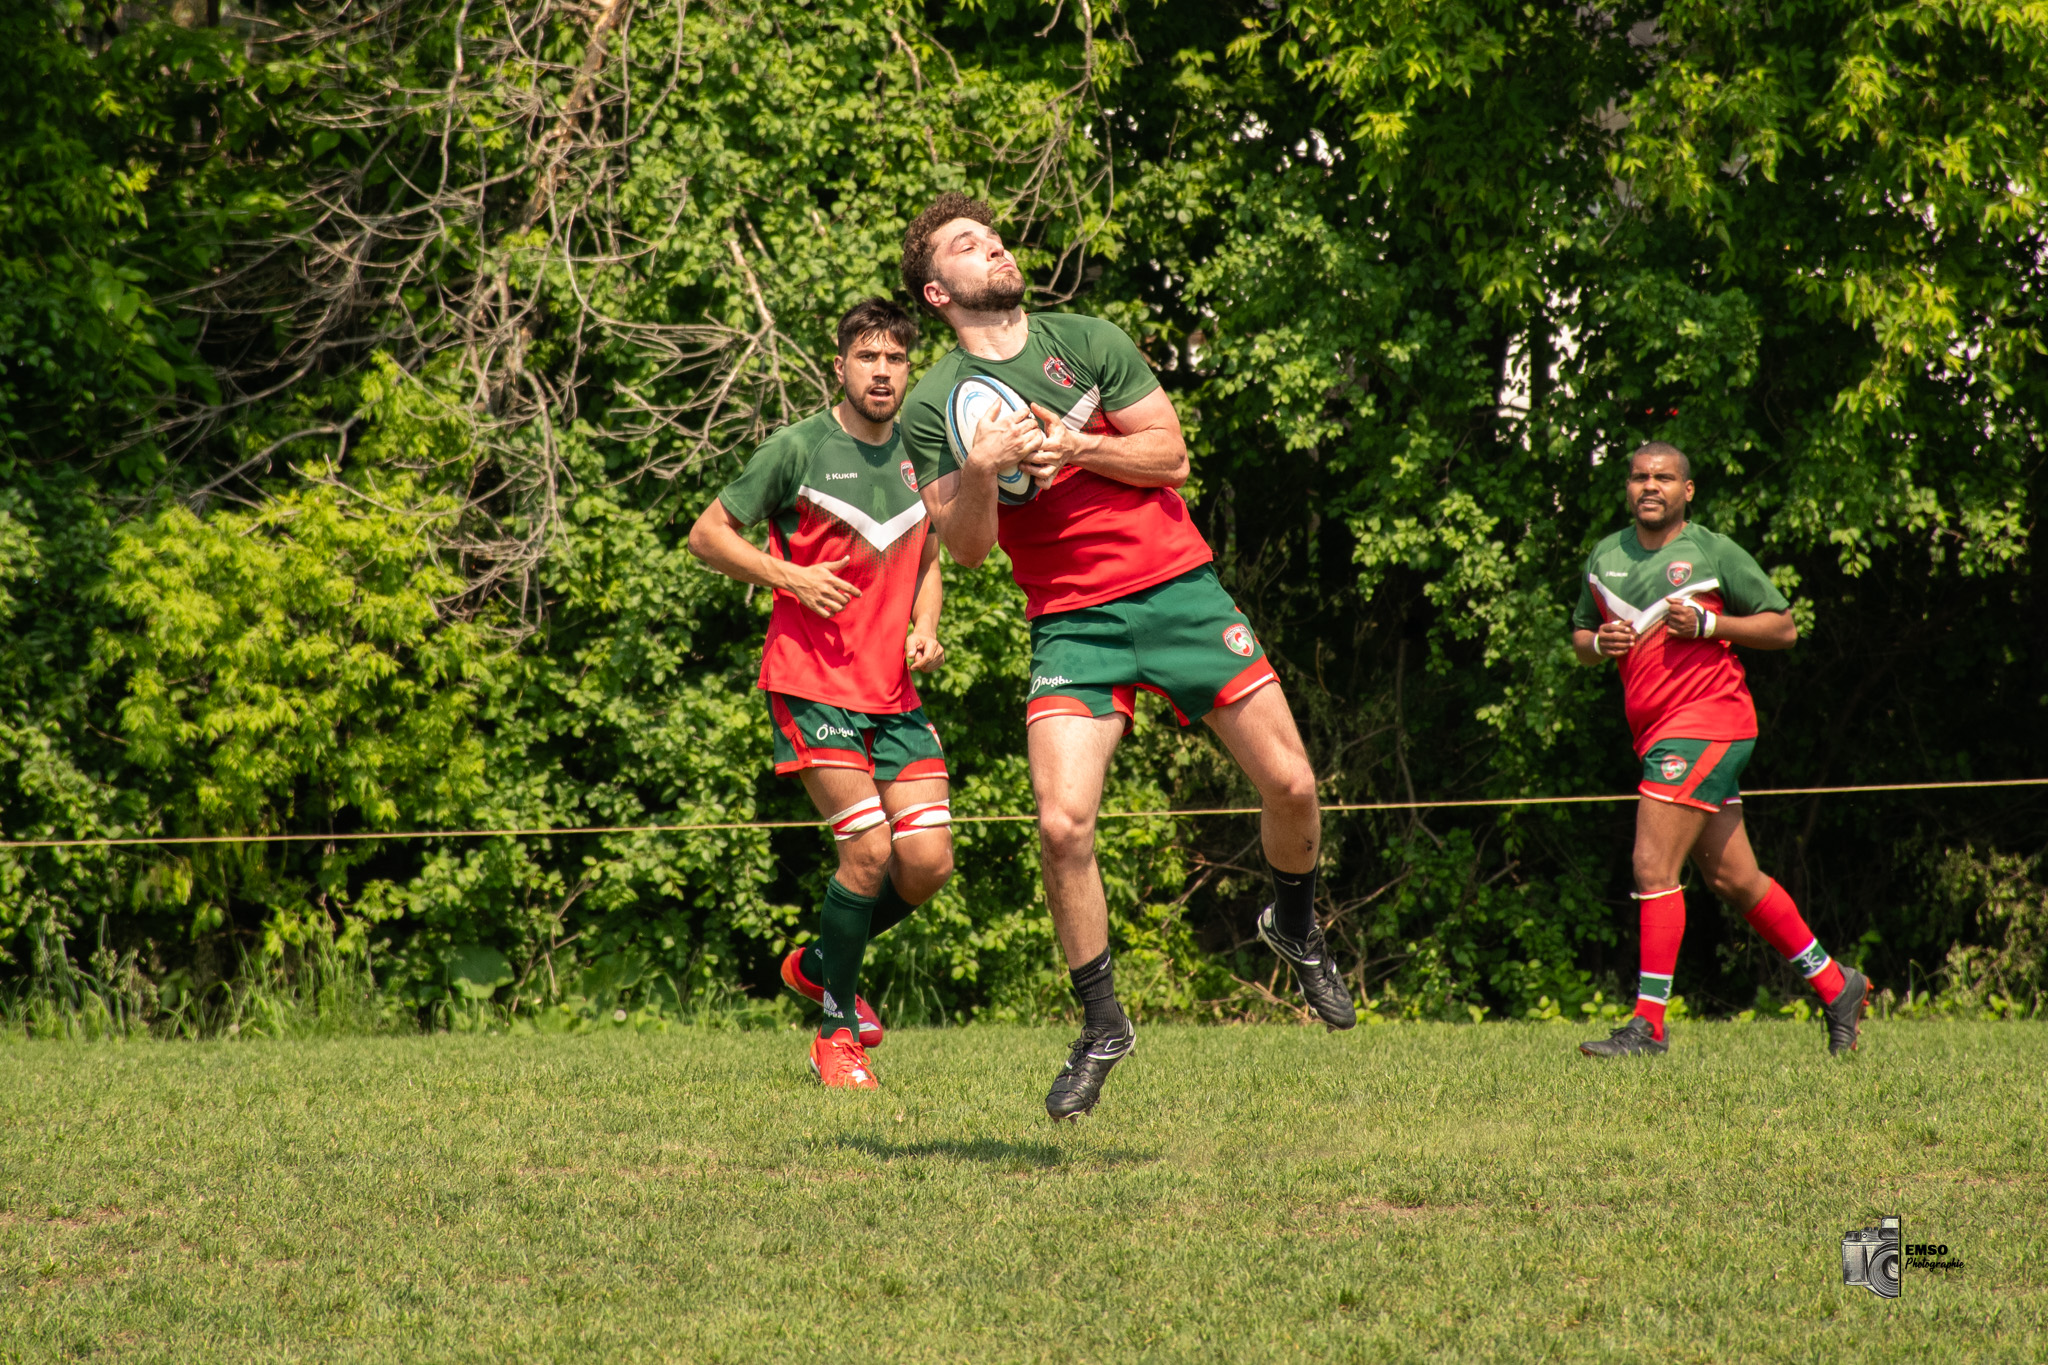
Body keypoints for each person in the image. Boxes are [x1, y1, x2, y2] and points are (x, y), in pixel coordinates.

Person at [896, 192, 1356, 1122]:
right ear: (938, 291)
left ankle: (1296, 926)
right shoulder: (930, 406)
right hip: (1073, 622)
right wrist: (983, 468)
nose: (992, 247)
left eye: (991, 235)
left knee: (1295, 787)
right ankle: (1103, 1025)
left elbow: (1173, 455)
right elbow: (972, 548)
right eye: (966, 246)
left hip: (1180, 591)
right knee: (1062, 826)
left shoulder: (1089, 339)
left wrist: (1080, 444)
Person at [687, 299, 954, 1090]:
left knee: (928, 862)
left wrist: (926, 626)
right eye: (866, 357)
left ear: (909, 368)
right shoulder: (798, 448)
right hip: (811, 682)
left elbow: (931, 555)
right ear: (840, 365)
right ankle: (837, 1028)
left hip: (893, 692)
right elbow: (708, 535)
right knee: (867, 851)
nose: (881, 371)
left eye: (895, 359)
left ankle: (815, 963)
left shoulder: (921, 451)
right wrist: (790, 575)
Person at [1570, 442, 1868, 1057]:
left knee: (1653, 868)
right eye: (1639, 477)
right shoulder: (1604, 556)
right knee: (1734, 879)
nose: (1650, 486)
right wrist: (1599, 642)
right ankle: (1838, 985)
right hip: (1658, 731)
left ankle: (1648, 1026)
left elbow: (1782, 627)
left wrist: (1712, 625)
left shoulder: (1710, 550)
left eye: (1664, 477)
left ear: (1688, 490)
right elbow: (1579, 637)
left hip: (1708, 722)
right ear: (1628, 487)